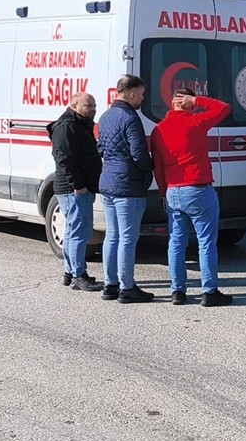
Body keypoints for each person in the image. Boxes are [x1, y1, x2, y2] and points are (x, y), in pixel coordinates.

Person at [150, 88, 233, 307]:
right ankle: (209, 291)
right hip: (197, 189)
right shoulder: (195, 122)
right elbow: (224, 108)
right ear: (188, 102)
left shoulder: (159, 130)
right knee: (206, 242)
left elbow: (157, 167)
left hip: (173, 191)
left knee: (176, 243)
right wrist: (197, 99)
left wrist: (162, 191)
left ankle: (177, 291)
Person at [98, 75, 154, 304]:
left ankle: (110, 284)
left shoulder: (105, 116)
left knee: (112, 235)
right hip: (128, 184)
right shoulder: (131, 118)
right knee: (128, 238)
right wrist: (149, 169)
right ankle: (127, 287)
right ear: (131, 93)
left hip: (108, 181)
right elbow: (139, 153)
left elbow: (100, 147)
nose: (142, 98)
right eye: (141, 93)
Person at [48, 92, 102, 292]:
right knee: (79, 232)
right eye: (88, 106)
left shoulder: (78, 125)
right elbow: (64, 160)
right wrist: (78, 185)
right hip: (74, 190)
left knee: (72, 231)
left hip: (77, 188)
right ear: (73, 105)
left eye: (94, 106)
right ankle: (79, 275)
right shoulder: (66, 126)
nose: (93, 109)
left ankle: (70, 272)